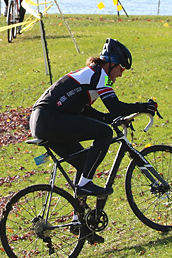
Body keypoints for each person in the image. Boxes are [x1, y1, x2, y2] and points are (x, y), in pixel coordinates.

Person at [29, 38, 157, 200]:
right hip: (49, 119)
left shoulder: (90, 74)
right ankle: (85, 185)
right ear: (111, 64)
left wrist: (111, 118)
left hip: (42, 120)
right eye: (121, 69)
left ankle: (78, 219)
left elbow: (86, 112)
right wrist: (142, 107)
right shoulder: (99, 76)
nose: (120, 75)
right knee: (104, 133)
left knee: (83, 162)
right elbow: (115, 106)